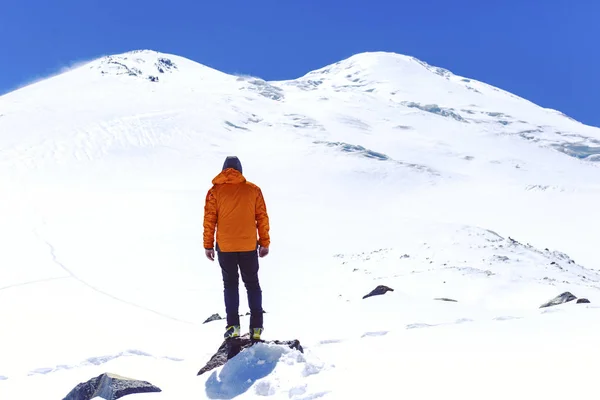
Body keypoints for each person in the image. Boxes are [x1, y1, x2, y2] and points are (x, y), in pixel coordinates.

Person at [203, 156, 270, 340]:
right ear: (240, 170)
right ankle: (256, 328)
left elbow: (209, 220)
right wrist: (264, 242)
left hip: (225, 247)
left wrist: (208, 245)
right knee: (252, 285)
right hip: (249, 246)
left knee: (230, 285)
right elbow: (262, 218)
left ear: (224, 169)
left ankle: (233, 326)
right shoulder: (253, 190)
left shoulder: (214, 191)